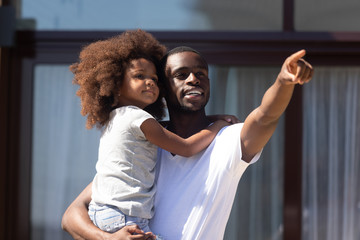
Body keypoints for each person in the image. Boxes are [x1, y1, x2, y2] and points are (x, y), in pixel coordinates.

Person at [62, 44, 313, 240]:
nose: (194, 79)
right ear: (162, 89)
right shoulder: (140, 144)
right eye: (181, 75)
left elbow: (266, 116)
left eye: (201, 74)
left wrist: (282, 82)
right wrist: (108, 238)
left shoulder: (228, 139)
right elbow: (72, 215)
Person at [69, 30, 230, 239]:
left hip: (104, 212)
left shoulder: (118, 118)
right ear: (115, 84)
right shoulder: (138, 118)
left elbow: (161, 128)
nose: (150, 82)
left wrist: (211, 118)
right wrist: (217, 126)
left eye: (154, 78)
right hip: (125, 215)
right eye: (139, 76)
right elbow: (186, 147)